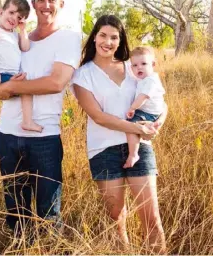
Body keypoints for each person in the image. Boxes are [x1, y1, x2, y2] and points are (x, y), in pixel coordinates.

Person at [71, 15, 167, 253]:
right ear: (94, 37)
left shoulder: (134, 67)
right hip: (104, 151)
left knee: (151, 218)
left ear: (120, 40)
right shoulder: (82, 75)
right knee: (116, 221)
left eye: (114, 37)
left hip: (140, 149)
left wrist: (156, 127)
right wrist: (137, 128)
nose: (108, 42)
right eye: (103, 35)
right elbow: (99, 117)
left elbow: (160, 102)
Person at [0, 0, 81, 233]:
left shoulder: (69, 38)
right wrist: (1, 89)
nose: (46, 5)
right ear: (32, 4)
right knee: (16, 213)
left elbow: (56, 82)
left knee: (48, 215)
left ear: (61, 5)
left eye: (52, 0)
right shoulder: (14, 38)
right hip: (7, 134)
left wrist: (11, 89)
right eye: (40, 0)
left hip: (44, 137)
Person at [0, 0, 43, 133]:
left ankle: (27, 121)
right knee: (27, 88)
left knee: (27, 87)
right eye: (11, 13)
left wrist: (23, 30)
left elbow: (26, 47)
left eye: (19, 17)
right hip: (0, 75)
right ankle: (27, 122)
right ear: (1, 11)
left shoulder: (14, 35)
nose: (14, 19)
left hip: (11, 76)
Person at [124, 46, 166, 168]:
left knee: (131, 126)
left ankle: (133, 154)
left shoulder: (150, 80)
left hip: (149, 113)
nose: (139, 67)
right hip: (150, 111)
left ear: (153, 64)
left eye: (143, 63)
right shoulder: (143, 79)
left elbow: (143, 97)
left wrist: (132, 108)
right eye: (135, 65)